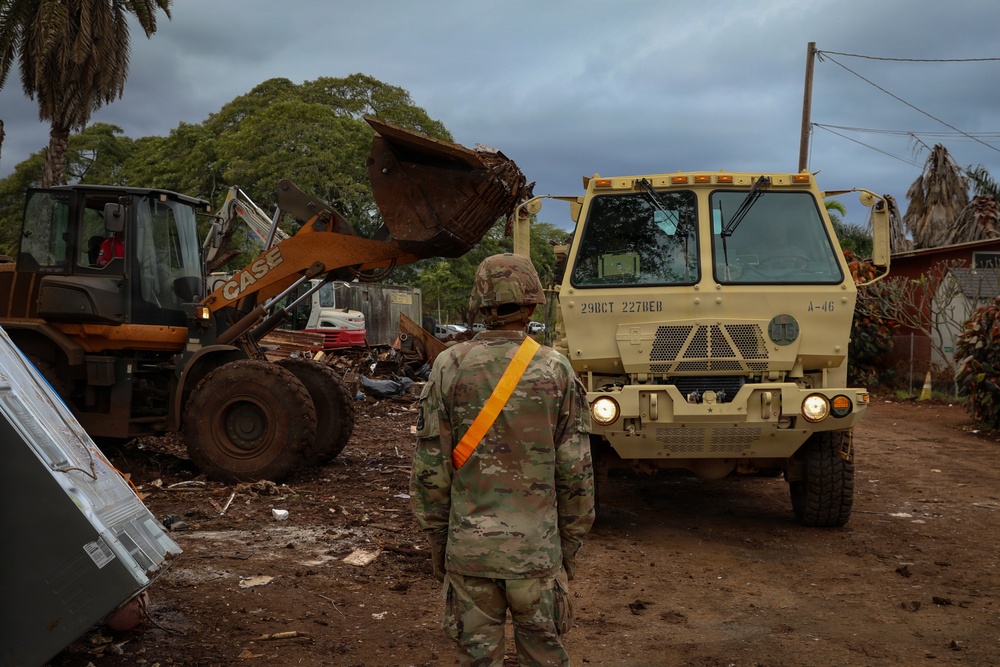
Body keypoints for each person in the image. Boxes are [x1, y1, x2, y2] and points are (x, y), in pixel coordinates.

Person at [410, 253, 595, 666]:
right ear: (532, 306)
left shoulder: (449, 366)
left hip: (469, 553)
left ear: (478, 305)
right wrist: (568, 546)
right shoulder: (556, 368)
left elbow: (429, 470)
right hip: (537, 553)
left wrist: (438, 542)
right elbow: (576, 473)